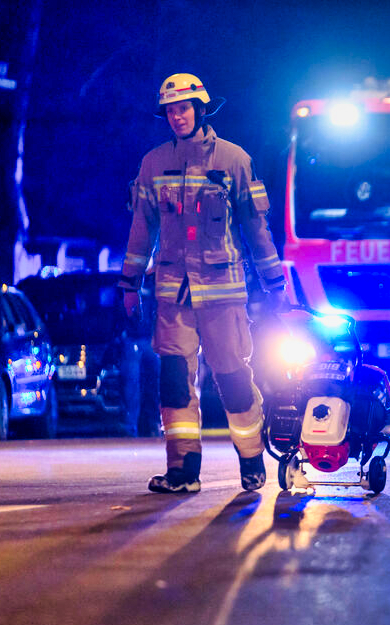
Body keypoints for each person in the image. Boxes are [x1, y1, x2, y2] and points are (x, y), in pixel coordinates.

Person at [119, 73, 287, 493]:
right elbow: (142, 229)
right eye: (170, 110)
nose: (177, 116)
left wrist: (275, 282)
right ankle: (182, 471)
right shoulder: (153, 164)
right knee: (174, 379)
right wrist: (128, 284)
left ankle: (251, 459)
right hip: (173, 292)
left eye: (184, 108)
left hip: (223, 293)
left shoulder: (234, 160)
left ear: (201, 109)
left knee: (231, 378)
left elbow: (255, 227)